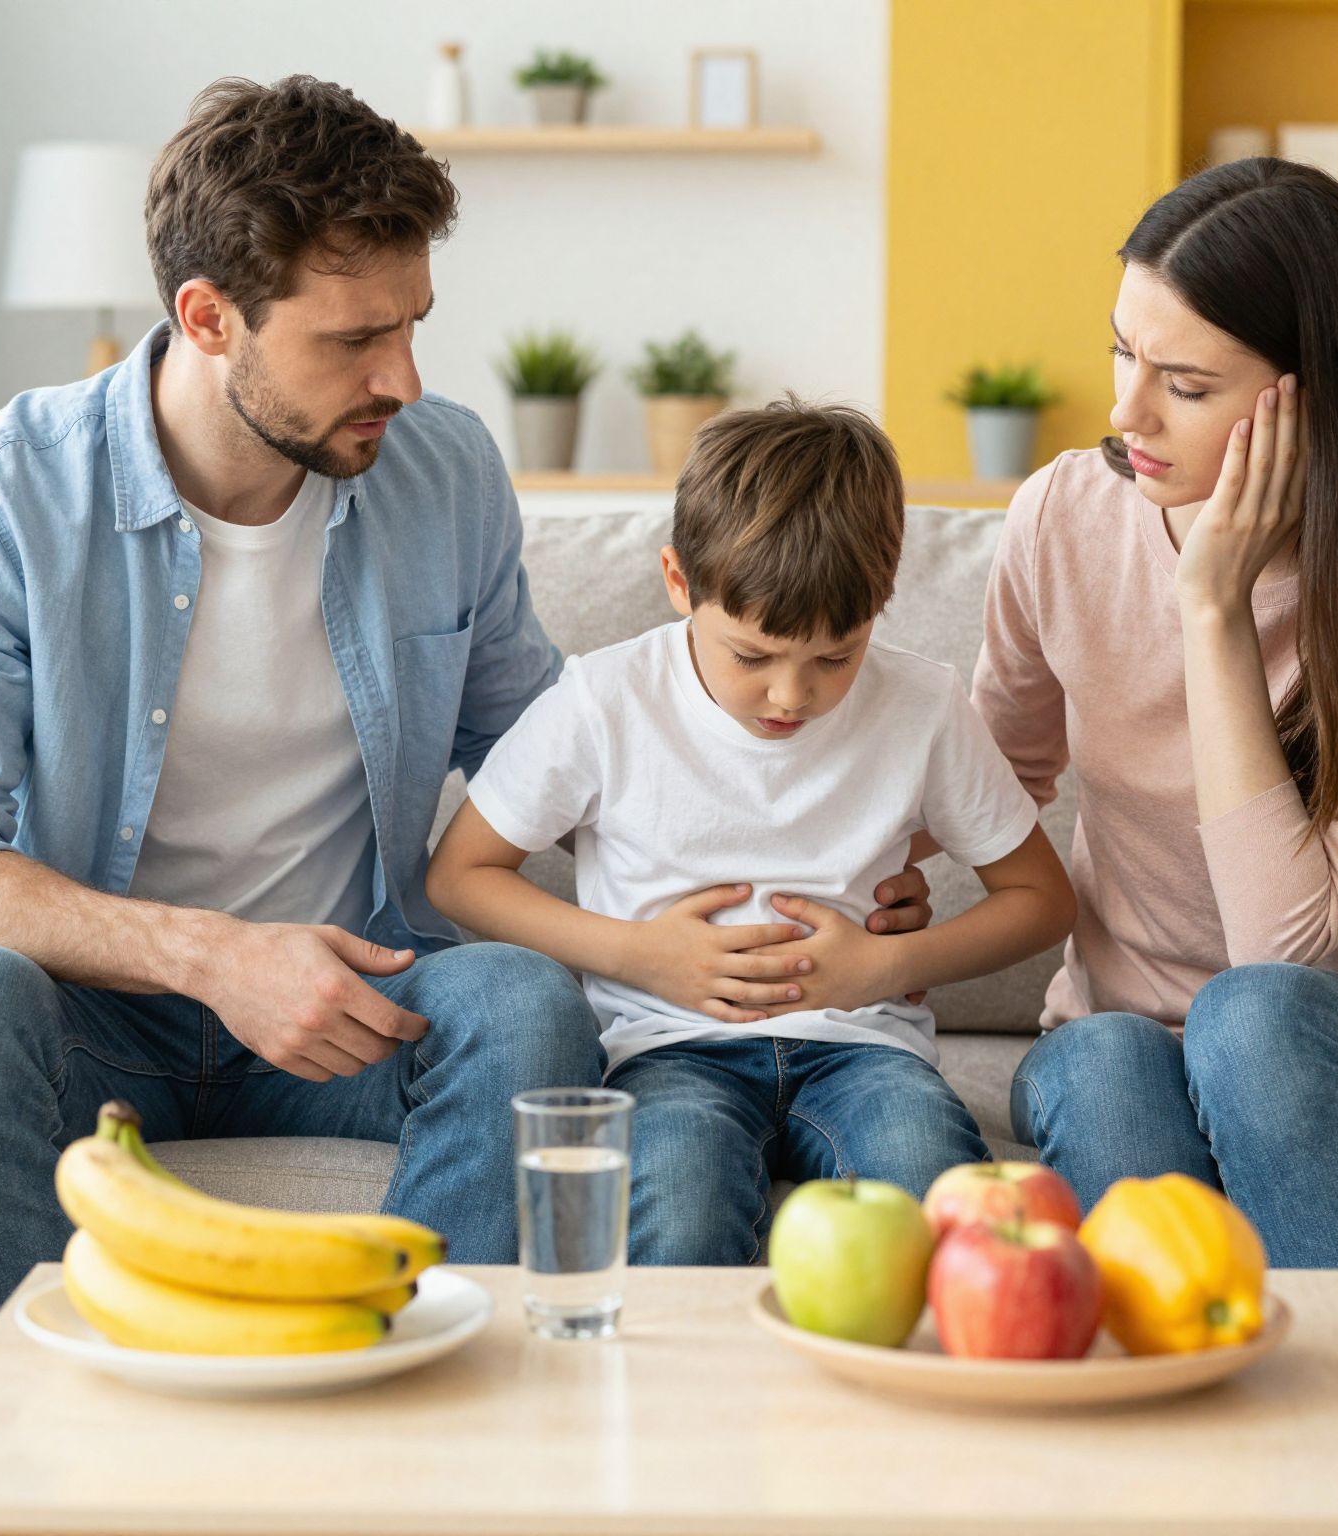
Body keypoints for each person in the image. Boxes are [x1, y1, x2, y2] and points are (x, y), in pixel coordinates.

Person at [0, 74, 619, 1397]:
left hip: (356, 1001)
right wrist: (217, 957)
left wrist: (791, 819)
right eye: (353, 339)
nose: (401, 378)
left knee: (517, 1000)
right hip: (85, 1022)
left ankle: (440, 1464)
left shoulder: (443, 470)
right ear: (208, 317)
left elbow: (549, 747)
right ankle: (8, 1483)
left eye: (413, 325)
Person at [973, 157, 1338, 1268]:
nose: (1125, 412)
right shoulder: (1060, 516)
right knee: (1099, 1064)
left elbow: (1278, 943)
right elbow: (990, 780)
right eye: (1122, 353)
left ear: (1309, 398)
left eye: (1183, 385)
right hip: (1118, 1024)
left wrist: (1212, 607)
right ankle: (1192, 1437)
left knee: (1252, 1017)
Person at [426, 399, 1077, 1264]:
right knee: (678, 1215)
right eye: (753, 655)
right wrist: (635, 954)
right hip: (667, 1055)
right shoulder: (605, 700)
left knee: (938, 1203)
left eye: (835, 658)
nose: (791, 697)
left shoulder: (924, 707)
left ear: (882, 602)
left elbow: (1041, 899)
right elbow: (461, 873)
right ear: (677, 581)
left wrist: (888, 965)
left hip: (867, 1053)